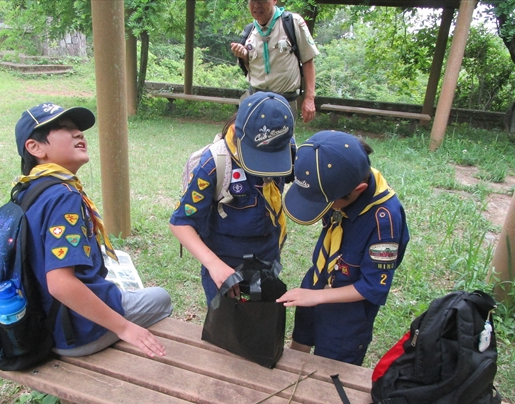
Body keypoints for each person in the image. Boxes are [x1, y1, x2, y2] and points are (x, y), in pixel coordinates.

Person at [14, 102, 172, 358]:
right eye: (64, 128)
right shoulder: (63, 197)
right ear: (35, 147)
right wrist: (125, 328)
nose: (78, 134)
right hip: (75, 333)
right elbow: (60, 284)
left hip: (41, 319)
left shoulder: (29, 190)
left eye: (78, 129)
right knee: (161, 298)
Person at [278, 130, 409, 365]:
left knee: (329, 372)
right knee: (298, 346)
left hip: (348, 314)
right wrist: (313, 294)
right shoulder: (332, 177)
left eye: (324, 202)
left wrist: (317, 297)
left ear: (358, 189)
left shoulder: (384, 220)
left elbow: (372, 287)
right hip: (316, 284)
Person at [170, 91, 295, 305]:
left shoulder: (284, 145)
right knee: (231, 325)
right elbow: (180, 223)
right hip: (227, 264)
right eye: (260, 157)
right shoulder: (215, 164)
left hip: (267, 255)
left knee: (259, 315)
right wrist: (214, 265)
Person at [231, 0, 320, 123]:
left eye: (261, 1)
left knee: (281, 141)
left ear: (274, 1)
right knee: (246, 139)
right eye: (252, 1)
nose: (256, 5)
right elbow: (250, 68)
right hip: (254, 100)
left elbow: (308, 60)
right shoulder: (250, 31)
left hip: (284, 102)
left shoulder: (292, 22)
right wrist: (244, 56)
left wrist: (309, 98)